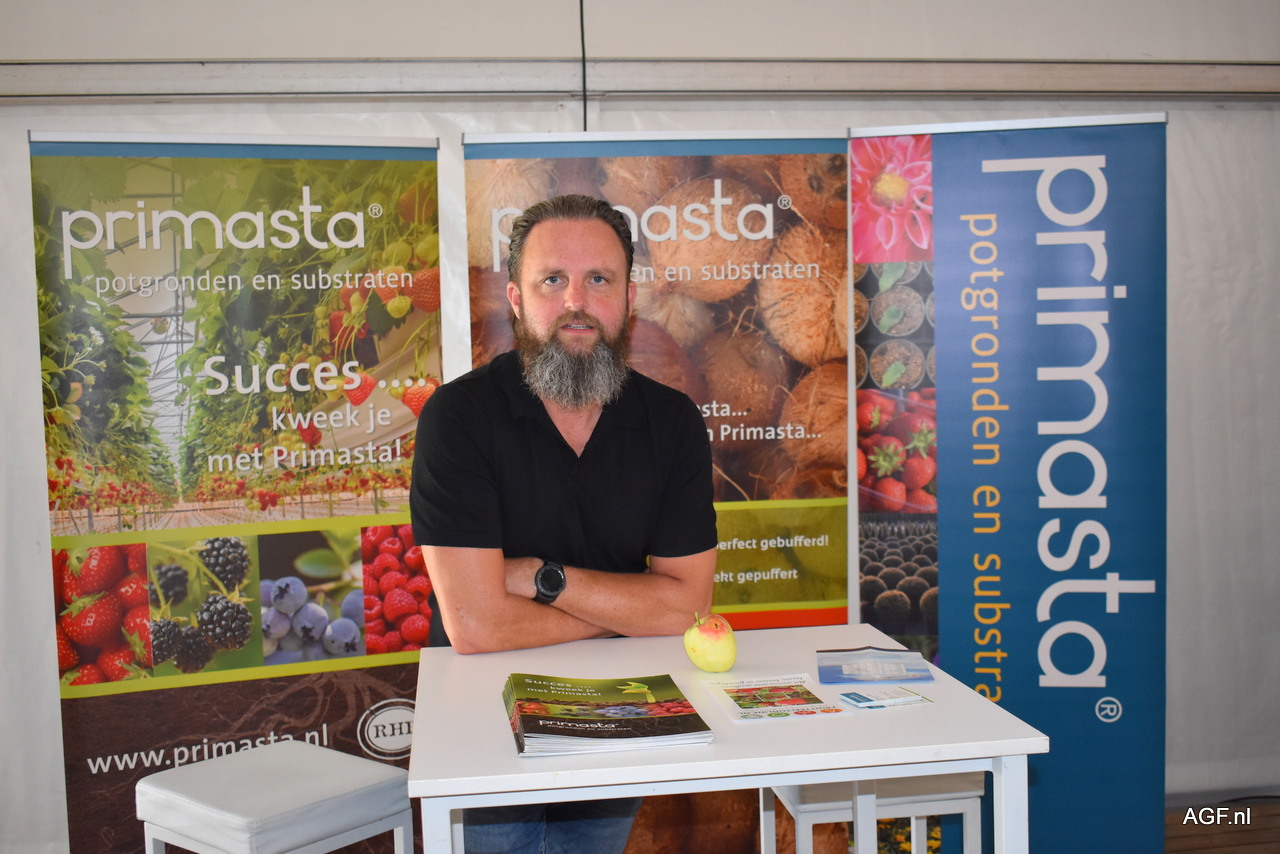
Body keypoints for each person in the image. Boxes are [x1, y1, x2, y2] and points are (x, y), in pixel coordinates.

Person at [409, 194, 718, 854]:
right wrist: (632, 610)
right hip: (481, 725)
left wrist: (540, 579)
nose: (576, 302)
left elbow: (688, 609)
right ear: (516, 301)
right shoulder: (457, 419)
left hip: (619, 712)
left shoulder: (672, 424)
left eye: (598, 279)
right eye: (552, 280)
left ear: (629, 299)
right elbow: (477, 626)